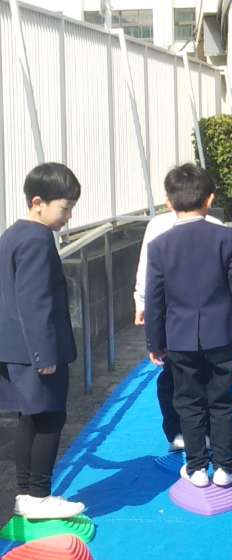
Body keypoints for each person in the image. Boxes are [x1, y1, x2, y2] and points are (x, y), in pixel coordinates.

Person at [145, 163, 232, 487]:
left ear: (169, 202)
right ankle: (225, 467)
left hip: (179, 336)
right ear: (210, 199)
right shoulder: (224, 236)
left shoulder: (159, 245)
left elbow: (155, 299)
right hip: (221, 332)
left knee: (187, 400)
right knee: (221, 399)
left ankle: (196, 467)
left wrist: (155, 341)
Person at [0, 163, 86, 519]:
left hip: (15, 348)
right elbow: (35, 301)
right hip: (36, 350)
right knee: (50, 418)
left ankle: (26, 494)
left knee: (30, 418)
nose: (68, 216)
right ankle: (39, 495)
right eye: (65, 208)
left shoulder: (12, 234)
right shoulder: (37, 238)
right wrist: (44, 353)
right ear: (38, 202)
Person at [133, 204, 222, 452]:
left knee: (179, 375)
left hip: (174, 316)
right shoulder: (216, 227)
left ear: (169, 200)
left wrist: (142, 302)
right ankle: (193, 432)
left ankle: (188, 432)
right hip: (206, 317)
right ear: (209, 198)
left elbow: (146, 271)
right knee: (193, 375)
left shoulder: (160, 225)